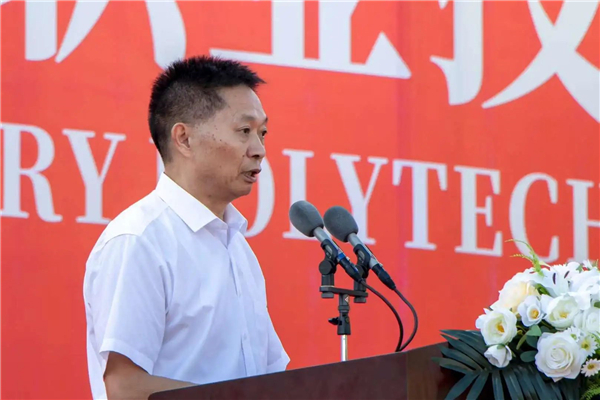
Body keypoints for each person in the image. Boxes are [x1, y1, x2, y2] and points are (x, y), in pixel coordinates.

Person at [83, 55, 289, 400]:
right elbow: (125, 388)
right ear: (184, 138)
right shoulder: (139, 241)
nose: (259, 150)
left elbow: (268, 380)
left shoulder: (238, 249)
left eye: (262, 133)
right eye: (244, 131)